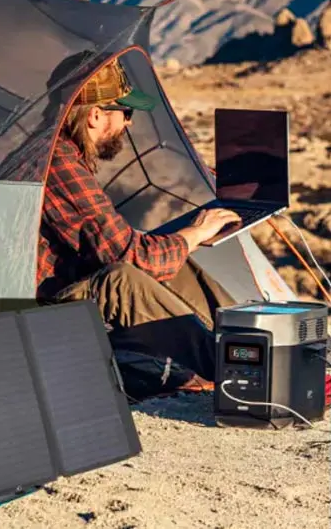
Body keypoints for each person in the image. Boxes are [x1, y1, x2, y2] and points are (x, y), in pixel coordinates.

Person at [37, 56, 241, 389]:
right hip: (43, 313)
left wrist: (181, 240)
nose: (129, 124)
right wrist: (194, 232)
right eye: (126, 113)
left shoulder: (62, 154)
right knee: (123, 280)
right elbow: (128, 259)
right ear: (96, 115)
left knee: (175, 260)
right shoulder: (56, 162)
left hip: (68, 288)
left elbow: (112, 243)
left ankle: (255, 340)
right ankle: (236, 369)